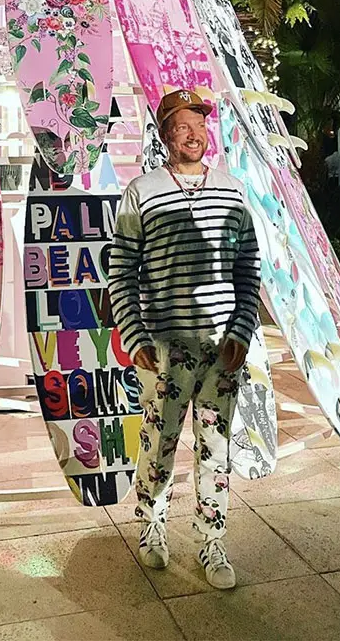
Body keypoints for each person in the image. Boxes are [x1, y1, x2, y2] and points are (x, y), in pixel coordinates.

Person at [109, 89, 261, 589]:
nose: (193, 133)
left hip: (222, 348)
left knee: (215, 446)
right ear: (164, 134)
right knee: (159, 443)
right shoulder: (142, 191)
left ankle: (211, 541)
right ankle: (152, 527)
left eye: (199, 123)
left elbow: (247, 267)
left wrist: (242, 329)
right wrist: (135, 336)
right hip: (164, 347)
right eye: (181, 124)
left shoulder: (232, 190)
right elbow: (122, 268)